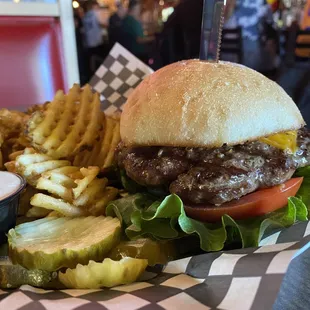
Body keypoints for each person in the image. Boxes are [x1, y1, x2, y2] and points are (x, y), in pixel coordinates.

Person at [160, 0, 203, 64]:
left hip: (187, 43)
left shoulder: (183, 5)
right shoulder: (202, 3)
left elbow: (168, 23)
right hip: (201, 41)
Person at [82, 1, 104, 74]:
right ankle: (99, 74)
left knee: (91, 59)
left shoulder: (85, 16)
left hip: (89, 41)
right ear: (93, 6)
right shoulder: (95, 14)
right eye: (96, 6)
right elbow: (102, 24)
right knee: (98, 59)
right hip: (96, 40)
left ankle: (92, 74)